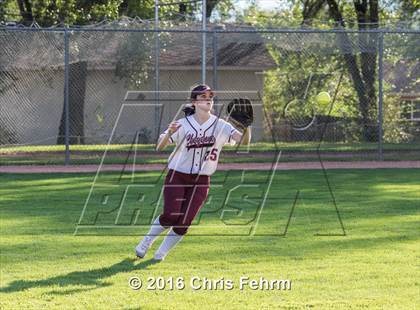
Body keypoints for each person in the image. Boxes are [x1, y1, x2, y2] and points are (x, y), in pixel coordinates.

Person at [135, 84, 252, 261]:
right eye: (203, 96)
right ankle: (147, 241)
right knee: (171, 215)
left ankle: (161, 253)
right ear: (194, 102)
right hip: (178, 176)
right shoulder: (182, 124)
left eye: (210, 97)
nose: (208, 99)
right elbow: (159, 146)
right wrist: (169, 134)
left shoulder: (221, 125)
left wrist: (247, 126)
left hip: (202, 180)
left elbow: (244, 142)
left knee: (185, 221)